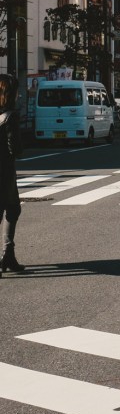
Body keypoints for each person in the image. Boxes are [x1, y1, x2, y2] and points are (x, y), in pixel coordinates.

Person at [0, 74, 24, 274]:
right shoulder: (10, 116)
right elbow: (14, 149)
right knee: (12, 210)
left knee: (9, 211)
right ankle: (7, 254)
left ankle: (8, 255)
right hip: (5, 174)